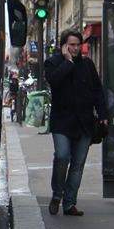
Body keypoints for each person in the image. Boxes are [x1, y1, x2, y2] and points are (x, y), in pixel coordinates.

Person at [44, 29, 108, 217]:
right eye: (71, 45)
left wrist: (103, 113)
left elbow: (97, 90)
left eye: (78, 45)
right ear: (64, 45)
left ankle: (69, 203)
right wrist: (68, 62)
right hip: (62, 121)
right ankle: (57, 194)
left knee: (78, 164)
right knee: (62, 156)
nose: (75, 48)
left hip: (84, 122)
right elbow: (54, 81)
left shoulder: (87, 64)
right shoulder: (53, 62)